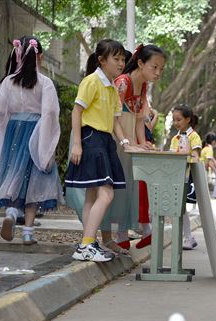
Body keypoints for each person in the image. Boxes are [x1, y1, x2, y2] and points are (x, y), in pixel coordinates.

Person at [64, 39, 138, 262]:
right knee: (107, 193)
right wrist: (76, 143)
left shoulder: (113, 86)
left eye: (123, 59)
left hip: (105, 141)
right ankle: (87, 244)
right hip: (91, 139)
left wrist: (125, 142)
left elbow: (115, 121)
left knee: (92, 196)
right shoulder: (92, 81)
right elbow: (76, 112)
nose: (121, 63)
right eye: (116, 59)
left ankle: (88, 243)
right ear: (101, 60)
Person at [0, 36, 61, 246]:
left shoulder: (8, 82)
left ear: (17, 54)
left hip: (14, 132)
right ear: (40, 57)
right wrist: (48, 141)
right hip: (37, 132)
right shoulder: (45, 83)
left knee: (14, 174)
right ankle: (28, 232)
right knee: (35, 178)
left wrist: (9, 123)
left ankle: (11, 213)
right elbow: (49, 113)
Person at [112, 44, 165, 251]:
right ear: (141, 63)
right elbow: (113, 117)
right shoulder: (123, 82)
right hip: (117, 137)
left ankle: (123, 235)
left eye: (161, 69)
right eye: (154, 67)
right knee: (120, 185)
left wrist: (142, 144)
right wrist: (127, 143)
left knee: (131, 185)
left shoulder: (142, 86)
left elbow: (139, 119)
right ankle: (120, 234)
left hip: (129, 138)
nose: (158, 73)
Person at [169, 104, 201, 250]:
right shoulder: (175, 137)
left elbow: (195, 157)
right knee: (179, 209)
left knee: (180, 209)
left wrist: (186, 156)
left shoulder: (193, 136)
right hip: (174, 177)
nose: (176, 123)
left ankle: (187, 237)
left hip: (186, 177)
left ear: (188, 119)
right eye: (174, 120)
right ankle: (187, 237)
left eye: (179, 119)